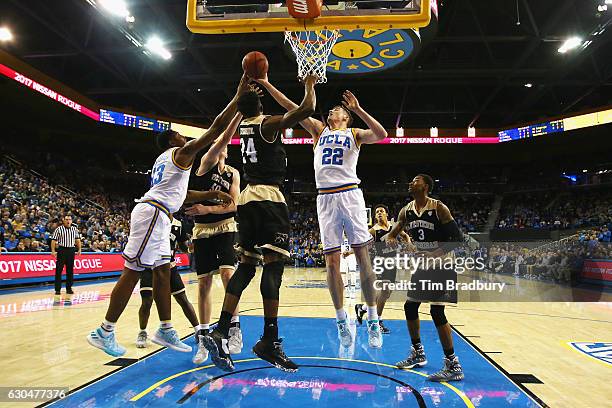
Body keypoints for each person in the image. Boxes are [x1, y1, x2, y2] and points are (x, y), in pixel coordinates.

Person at [86, 74, 249, 357]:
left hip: (161, 215)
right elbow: (214, 130)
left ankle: (165, 328)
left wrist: (212, 195)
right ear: (172, 139)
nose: (182, 134)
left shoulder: (166, 162)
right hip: (152, 215)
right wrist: (237, 97)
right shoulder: (180, 152)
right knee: (133, 271)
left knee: (163, 269)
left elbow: (182, 196)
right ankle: (104, 330)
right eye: (178, 132)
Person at [257, 76, 387, 349]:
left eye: (337, 110)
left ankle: (373, 319)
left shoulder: (355, 134)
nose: (332, 111)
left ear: (346, 117)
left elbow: (382, 134)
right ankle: (341, 321)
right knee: (331, 263)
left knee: (363, 257)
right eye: (330, 110)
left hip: (350, 194)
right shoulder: (318, 130)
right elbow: (291, 106)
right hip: (326, 198)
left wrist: (359, 109)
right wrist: (270, 84)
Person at [203, 75, 317, 372]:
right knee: (274, 266)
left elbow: (230, 121)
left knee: (247, 266)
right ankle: (269, 339)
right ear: (261, 105)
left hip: (246, 199)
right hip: (268, 197)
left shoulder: (243, 125)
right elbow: (307, 109)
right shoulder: (267, 123)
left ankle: (221, 330)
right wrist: (309, 86)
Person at [387, 174, 464, 382]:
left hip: (443, 263)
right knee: (410, 306)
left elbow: (458, 240)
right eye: (411, 180)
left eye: (416, 180)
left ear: (426, 186)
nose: (411, 183)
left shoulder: (439, 208)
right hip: (423, 265)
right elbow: (394, 231)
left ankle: (453, 364)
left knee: (437, 311)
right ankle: (418, 353)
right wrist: (393, 237)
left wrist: (433, 254)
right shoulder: (407, 210)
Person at [184, 115, 243, 364]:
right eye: (219, 142)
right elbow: (223, 136)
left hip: (226, 227)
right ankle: (204, 336)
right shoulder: (205, 163)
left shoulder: (232, 173)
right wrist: (237, 113)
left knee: (229, 274)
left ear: (228, 152)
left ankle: (234, 328)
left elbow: (234, 206)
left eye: (225, 143)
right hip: (202, 230)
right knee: (204, 283)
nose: (222, 144)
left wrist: (209, 209)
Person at [136, 217, 200, 348]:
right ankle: (142, 332)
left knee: (182, 299)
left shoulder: (178, 224)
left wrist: (190, 247)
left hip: (169, 266)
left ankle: (199, 330)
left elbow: (183, 247)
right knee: (147, 301)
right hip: (149, 266)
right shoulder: (152, 216)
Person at [355, 204, 410, 334]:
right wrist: (351, 252)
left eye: (382, 211)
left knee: (387, 294)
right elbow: (361, 244)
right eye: (377, 211)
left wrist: (409, 244)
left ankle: (362, 308)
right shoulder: (373, 231)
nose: (379, 213)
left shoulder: (394, 226)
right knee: (385, 292)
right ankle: (376, 321)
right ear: (375, 216)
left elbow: (405, 236)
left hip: (392, 263)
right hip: (380, 263)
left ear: (386, 214)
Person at [51, 215, 81, 295]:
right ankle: (57, 289)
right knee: (59, 270)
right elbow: (53, 241)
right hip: (62, 250)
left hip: (71, 250)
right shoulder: (59, 229)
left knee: (70, 270)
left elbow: (77, 240)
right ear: (63, 220)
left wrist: (79, 249)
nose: (68, 221)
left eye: (70, 219)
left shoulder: (74, 229)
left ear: (71, 221)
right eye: (66, 219)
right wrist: (53, 251)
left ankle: (69, 288)